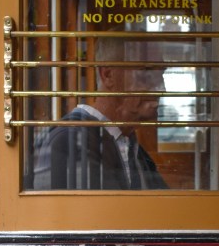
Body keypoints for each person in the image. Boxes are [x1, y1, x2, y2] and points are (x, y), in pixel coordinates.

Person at [33, 37, 168, 190]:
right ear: (108, 75)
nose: (162, 89)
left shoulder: (131, 147)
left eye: (161, 74)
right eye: (147, 74)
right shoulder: (70, 141)